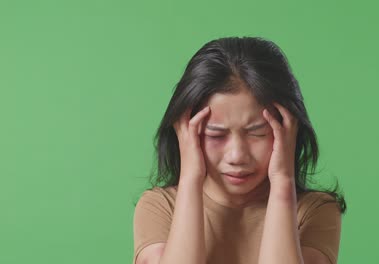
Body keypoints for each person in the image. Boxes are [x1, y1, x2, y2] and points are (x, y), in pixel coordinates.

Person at [133, 36, 347, 264]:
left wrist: (283, 183)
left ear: (290, 132)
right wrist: (190, 179)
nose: (237, 156)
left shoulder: (314, 210)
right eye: (216, 134)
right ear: (185, 134)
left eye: (258, 133)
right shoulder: (161, 207)